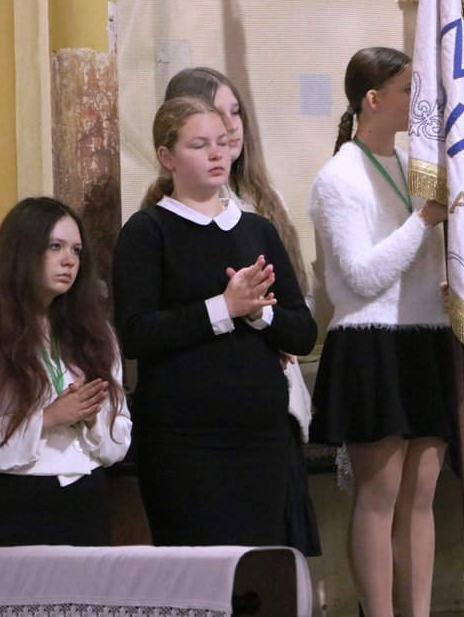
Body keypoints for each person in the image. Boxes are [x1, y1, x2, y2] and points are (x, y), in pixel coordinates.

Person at [113, 95, 316, 547]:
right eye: (199, 145)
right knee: (195, 567)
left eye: (222, 143)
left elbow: (302, 332)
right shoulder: (148, 231)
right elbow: (136, 333)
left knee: (258, 566)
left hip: (261, 435)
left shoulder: (258, 229)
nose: (216, 154)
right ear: (167, 157)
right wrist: (223, 308)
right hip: (182, 439)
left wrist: (260, 312)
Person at [308, 47, 451, 617]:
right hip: (371, 340)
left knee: (422, 495)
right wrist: (424, 220)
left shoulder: (418, 165)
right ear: (373, 99)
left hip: (427, 335)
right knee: (380, 494)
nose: (420, 101)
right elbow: (361, 277)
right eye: (408, 90)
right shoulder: (338, 176)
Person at [0, 196, 132, 547]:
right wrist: (47, 418)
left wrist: (91, 419)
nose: (69, 260)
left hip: (86, 499)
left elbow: (119, 441)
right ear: (21, 251)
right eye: (55, 247)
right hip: (11, 501)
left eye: (77, 250)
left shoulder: (96, 333)